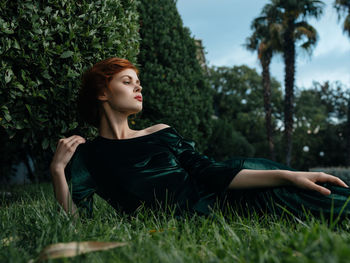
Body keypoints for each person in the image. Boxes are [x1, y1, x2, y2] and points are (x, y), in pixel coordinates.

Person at [50, 57, 350, 222]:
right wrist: (57, 173)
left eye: (138, 82)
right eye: (127, 82)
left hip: (230, 192)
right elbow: (76, 224)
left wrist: (288, 175)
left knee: (312, 195)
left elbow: (207, 171)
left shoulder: (160, 132)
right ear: (103, 93)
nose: (137, 87)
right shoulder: (88, 156)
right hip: (208, 215)